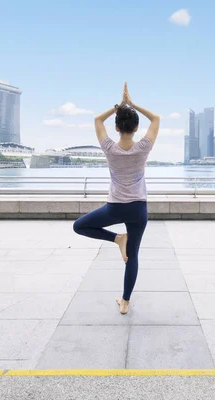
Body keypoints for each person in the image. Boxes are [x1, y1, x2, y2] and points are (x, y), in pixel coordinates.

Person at [73, 82, 160, 314]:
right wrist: (132, 105)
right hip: (139, 210)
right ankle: (125, 302)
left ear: (117, 127)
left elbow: (97, 121)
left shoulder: (110, 148)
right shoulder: (143, 148)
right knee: (133, 256)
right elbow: (156, 119)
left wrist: (118, 106)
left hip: (115, 208)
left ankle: (115, 239)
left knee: (79, 226)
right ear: (136, 126)